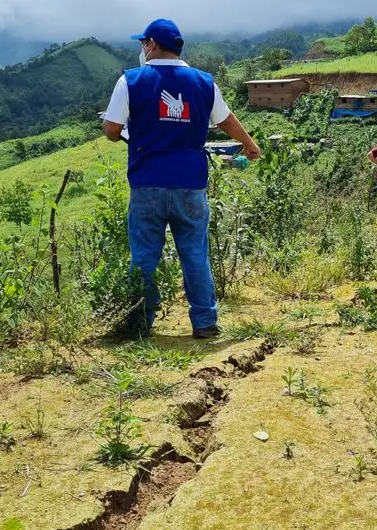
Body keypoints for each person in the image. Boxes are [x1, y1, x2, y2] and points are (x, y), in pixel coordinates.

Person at [102, 18, 261, 339]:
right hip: (190, 184)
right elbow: (226, 119)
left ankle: (139, 324)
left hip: (147, 183)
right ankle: (204, 322)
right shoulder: (204, 82)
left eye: (143, 43)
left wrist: (130, 131)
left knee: (144, 256)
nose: (142, 49)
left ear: (153, 44)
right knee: (194, 254)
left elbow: (111, 130)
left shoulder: (131, 81)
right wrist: (250, 143)